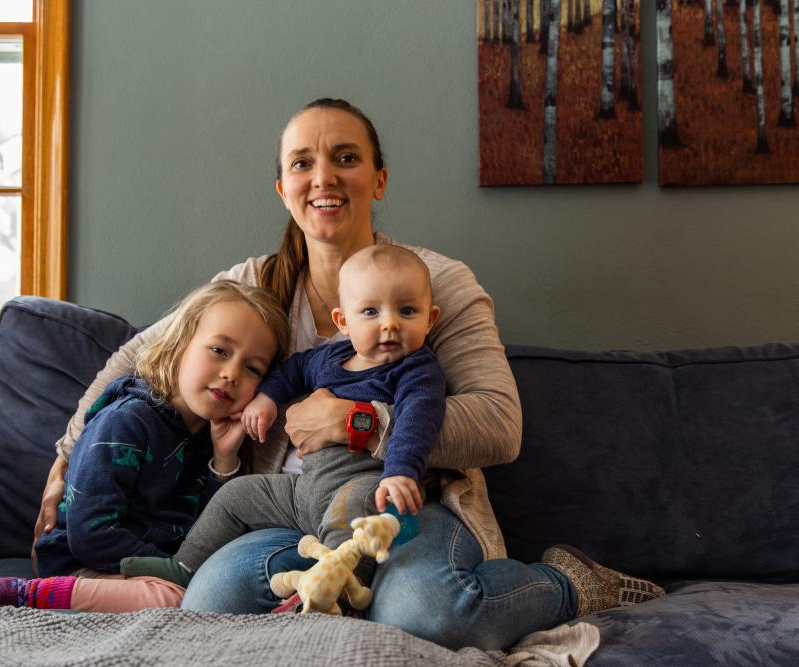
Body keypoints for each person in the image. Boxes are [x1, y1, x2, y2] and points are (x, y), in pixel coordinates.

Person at [35, 98, 664, 649]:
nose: (323, 177)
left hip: (407, 501)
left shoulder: (436, 283)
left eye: (345, 158)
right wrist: (67, 459)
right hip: (287, 511)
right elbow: (137, 358)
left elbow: (500, 425)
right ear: (282, 187)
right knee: (209, 603)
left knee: (428, 616)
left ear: (379, 178)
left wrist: (358, 422)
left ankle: (568, 584)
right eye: (302, 163)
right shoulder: (254, 286)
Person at [0, 281, 289, 613]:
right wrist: (174, 569)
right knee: (176, 599)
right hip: (80, 561)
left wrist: (223, 460)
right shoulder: (127, 421)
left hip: (143, 565)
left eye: (253, 369)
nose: (232, 373)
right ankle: (22, 594)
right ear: (180, 345)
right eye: (219, 350)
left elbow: (208, 529)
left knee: (198, 591)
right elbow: (90, 534)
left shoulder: (203, 437)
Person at [117, 244, 445, 590]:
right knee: (237, 495)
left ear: (431, 318)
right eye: (370, 312)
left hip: (360, 482)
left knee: (350, 517)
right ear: (343, 322)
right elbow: (293, 371)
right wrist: (267, 398)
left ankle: (339, 591)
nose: (390, 324)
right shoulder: (329, 358)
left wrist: (401, 473)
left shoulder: (416, 369)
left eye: (407, 311)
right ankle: (185, 565)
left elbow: (418, 421)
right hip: (302, 490)